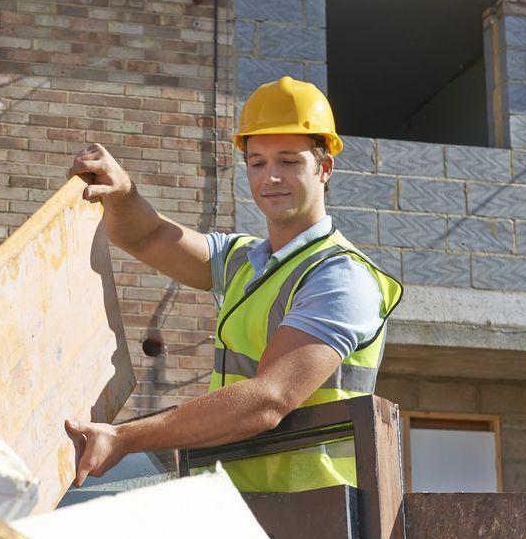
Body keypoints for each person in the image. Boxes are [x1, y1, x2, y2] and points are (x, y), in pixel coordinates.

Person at [65, 76, 402, 492]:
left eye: (289, 161)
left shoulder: (340, 277)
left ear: (324, 168)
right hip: (239, 502)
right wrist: (123, 192)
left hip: (318, 514)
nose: (270, 177)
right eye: (257, 162)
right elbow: (146, 236)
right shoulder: (245, 261)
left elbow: (268, 399)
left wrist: (124, 438)